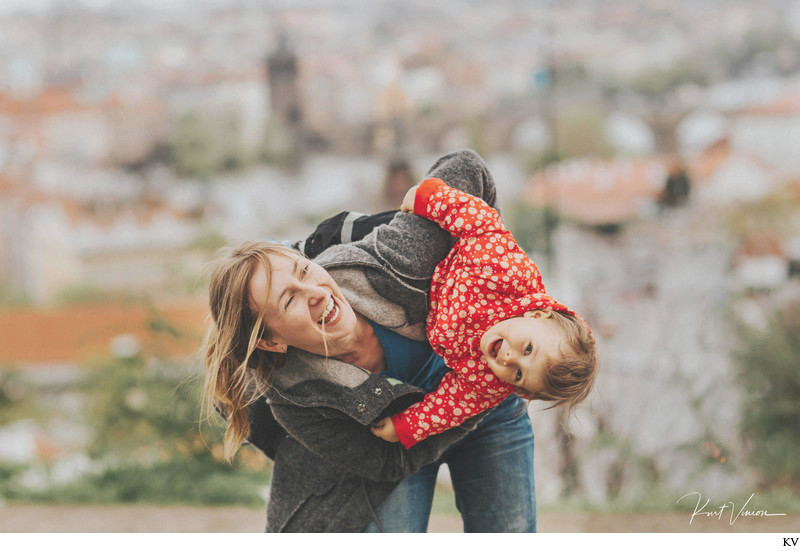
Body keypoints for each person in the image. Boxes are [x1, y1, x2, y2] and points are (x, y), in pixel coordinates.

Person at [202, 150, 536, 532]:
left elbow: (466, 168)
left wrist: (433, 204)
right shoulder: (297, 398)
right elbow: (384, 462)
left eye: (304, 271)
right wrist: (429, 421)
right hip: (404, 442)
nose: (313, 291)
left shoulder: (385, 262)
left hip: (488, 408)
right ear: (271, 342)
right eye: (289, 299)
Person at [371, 178, 597, 448]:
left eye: (518, 375)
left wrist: (405, 426)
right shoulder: (510, 276)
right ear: (538, 315)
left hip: (423, 316)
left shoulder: (489, 384)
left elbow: (448, 407)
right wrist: (429, 199)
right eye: (527, 349)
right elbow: (481, 223)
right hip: (438, 263)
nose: (509, 359)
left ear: (519, 390)